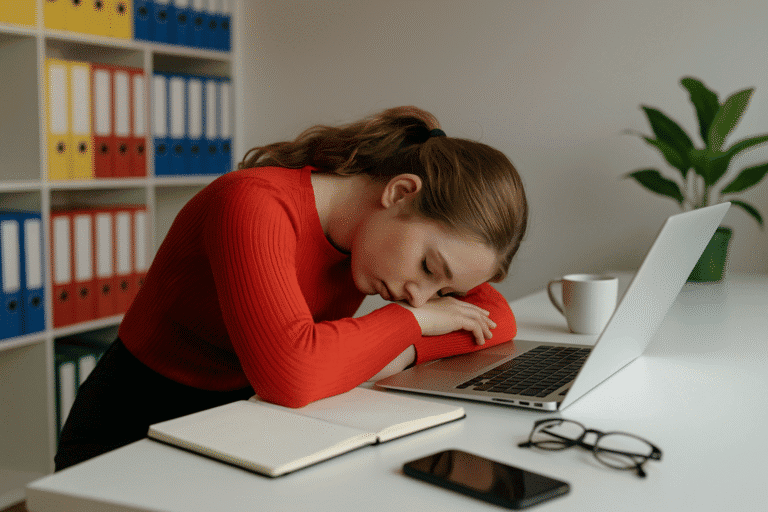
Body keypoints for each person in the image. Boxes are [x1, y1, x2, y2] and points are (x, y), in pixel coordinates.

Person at [55, 106, 528, 471]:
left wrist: (400, 352)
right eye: (428, 267)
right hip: (137, 424)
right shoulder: (252, 204)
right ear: (400, 193)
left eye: (442, 290)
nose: (421, 295)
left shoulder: (370, 246)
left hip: (248, 421)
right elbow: (292, 374)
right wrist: (412, 324)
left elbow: (498, 318)